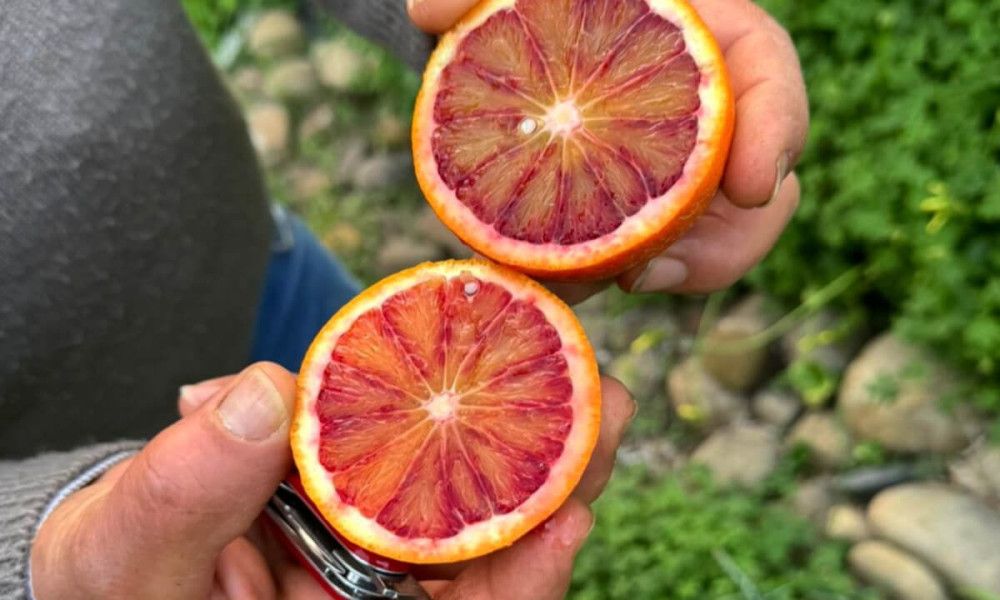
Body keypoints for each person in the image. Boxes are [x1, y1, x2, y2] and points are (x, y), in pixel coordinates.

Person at [0, 0, 808, 598]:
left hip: (268, 275)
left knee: (412, 382)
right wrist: (33, 560)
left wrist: (496, 22)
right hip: (64, 475)